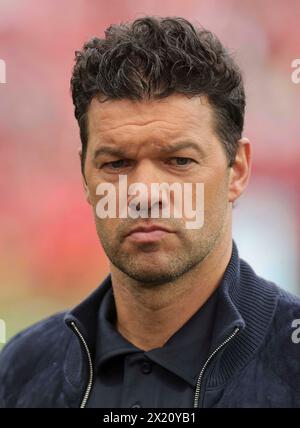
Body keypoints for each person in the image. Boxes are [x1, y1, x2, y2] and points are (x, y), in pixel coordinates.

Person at [0, 16, 299, 408]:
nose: (143, 193)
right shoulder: (21, 370)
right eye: (116, 164)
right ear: (85, 175)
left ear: (237, 170)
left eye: (178, 160)